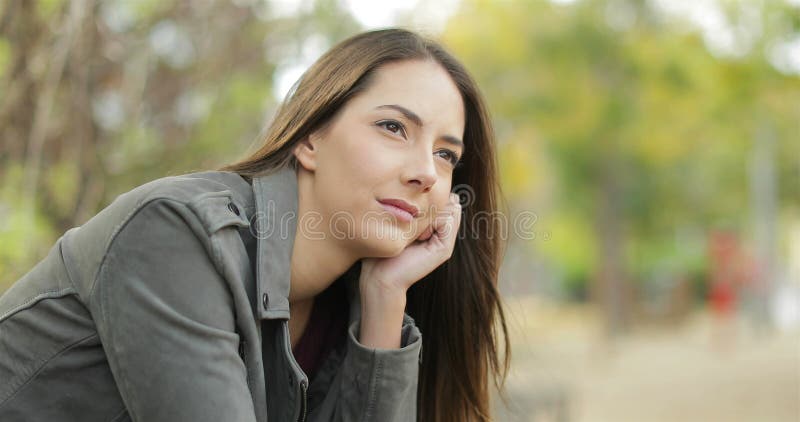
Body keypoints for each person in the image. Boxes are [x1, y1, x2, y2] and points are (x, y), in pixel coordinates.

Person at [0, 28, 509, 421]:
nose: (425, 172)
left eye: (446, 154)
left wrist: (385, 298)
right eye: (393, 127)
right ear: (309, 139)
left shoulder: (354, 301)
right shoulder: (176, 234)